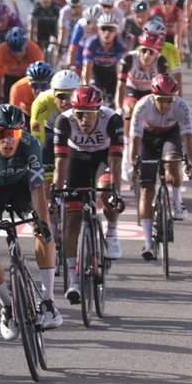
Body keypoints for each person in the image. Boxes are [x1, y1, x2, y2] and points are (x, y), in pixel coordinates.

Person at [0, 103, 62, 338]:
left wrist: (41, 222)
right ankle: (8, 307)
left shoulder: (31, 145)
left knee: (43, 230)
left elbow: (38, 189)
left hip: (21, 191)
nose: (9, 141)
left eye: (15, 134)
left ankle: (48, 303)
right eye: (2, 134)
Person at [55, 86, 125, 302]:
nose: (85, 120)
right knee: (73, 219)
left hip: (104, 157)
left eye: (90, 115)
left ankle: (112, 233)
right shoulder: (64, 121)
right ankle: (73, 280)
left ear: (100, 112)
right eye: (80, 115)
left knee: (106, 193)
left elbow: (115, 162)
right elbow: (61, 163)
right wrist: (57, 194)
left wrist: (116, 192)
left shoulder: (112, 120)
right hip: (77, 158)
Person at [126, 75, 192, 261]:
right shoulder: (142, 106)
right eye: (161, 101)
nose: (165, 105)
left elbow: (188, 138)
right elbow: (135, 139)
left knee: (173, 163)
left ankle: (177, 200)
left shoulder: (181, 106)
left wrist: (190, 163)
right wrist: (134, 166)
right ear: (153, 97)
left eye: (169, 101)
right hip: (147, 138)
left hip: (170, 135)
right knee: (146, 190)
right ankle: (148, 242)